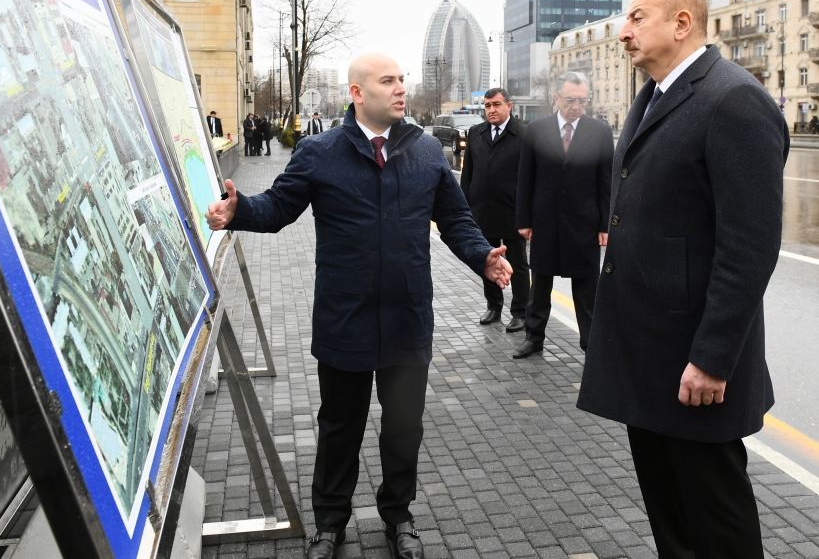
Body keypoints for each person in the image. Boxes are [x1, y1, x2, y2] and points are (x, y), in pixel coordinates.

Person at [206, 53, 512, 559]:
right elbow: (279, 208)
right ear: (356, 93)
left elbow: (456, 220)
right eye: (387, 81)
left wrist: (482, 257)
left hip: (407, 320)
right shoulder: (319, 152)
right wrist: (240, 210)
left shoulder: (426, 152)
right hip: (344, 317)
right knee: (339, 426)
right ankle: (330, 523)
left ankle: (398, 516)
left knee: (404, 427)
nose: (399, 89)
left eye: (401, 80)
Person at [577, 0, 789, 558]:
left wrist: (713, 357)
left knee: (715, 519)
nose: (624, 31)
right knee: (670, 514)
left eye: (637, 17)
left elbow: (749, 248)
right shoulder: (652, 96)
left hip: (696, 363)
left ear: (682, 23)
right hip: (649, 355)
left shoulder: (732, 99)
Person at [513, 72, 613, 357]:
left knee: (586, 290)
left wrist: (605, 224)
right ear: (556, 98)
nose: (576, 107)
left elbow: (606, 182)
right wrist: (523, 220)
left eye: (582, 101)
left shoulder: (600, 132)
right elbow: (525, 179)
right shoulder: (536, 131)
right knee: (541, 284)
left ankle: (590, 345)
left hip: (585, 223)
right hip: (545, 222)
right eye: (570, 100)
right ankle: (534, 338)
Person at [460, 87, 530, 332]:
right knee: (487, 259)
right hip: (482, 211)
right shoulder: (476, 133)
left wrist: (529, 214)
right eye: (488, 105)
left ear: (508, 105)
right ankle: (493, 306)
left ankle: (520, 312)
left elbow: (533, 177)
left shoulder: (523, 134)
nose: (491, 110)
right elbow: (467, 174)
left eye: (496, 104)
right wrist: (464, 208)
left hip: (513, 211)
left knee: (518, 263)